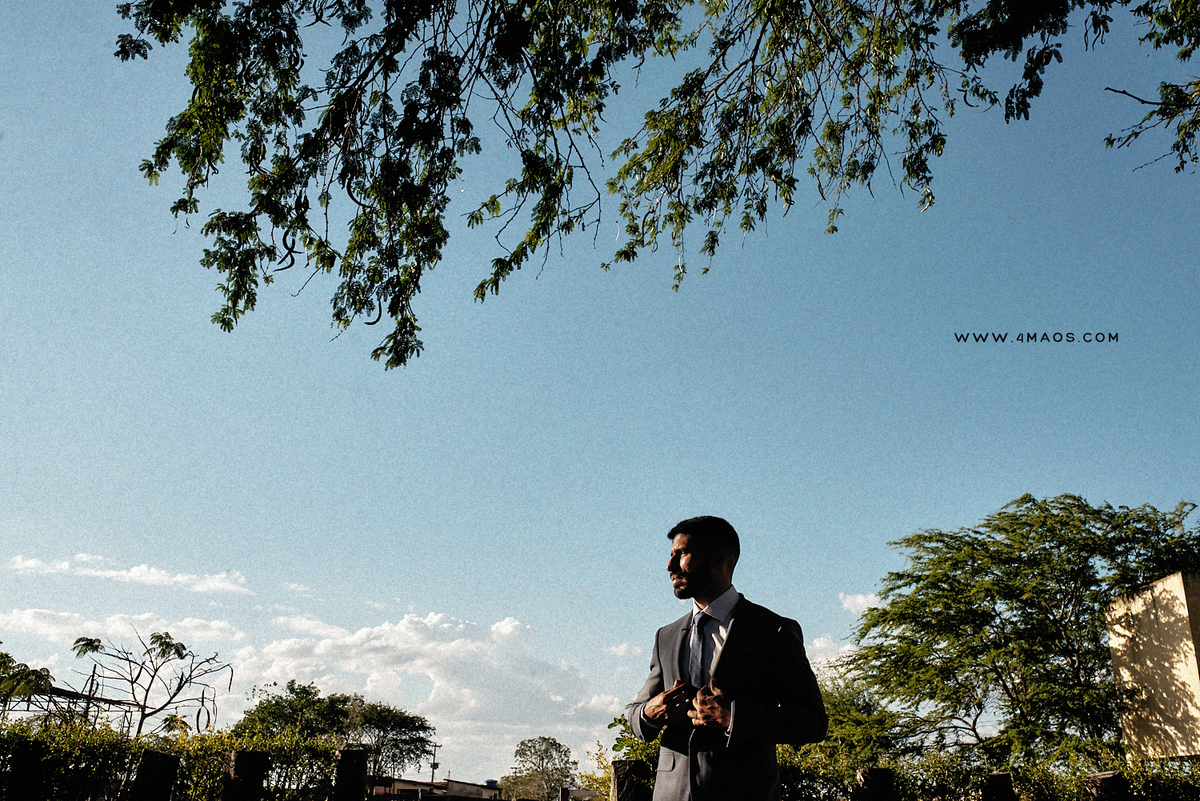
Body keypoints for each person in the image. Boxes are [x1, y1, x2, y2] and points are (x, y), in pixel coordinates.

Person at [627, 515, 827, 801]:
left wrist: (734, 717)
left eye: (681, 554)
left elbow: (812, 722)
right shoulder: (666, 636)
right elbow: (635, 714)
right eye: (671, 555)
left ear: (718, 559)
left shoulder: (774, 631)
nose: (669, 566)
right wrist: (649, 712)